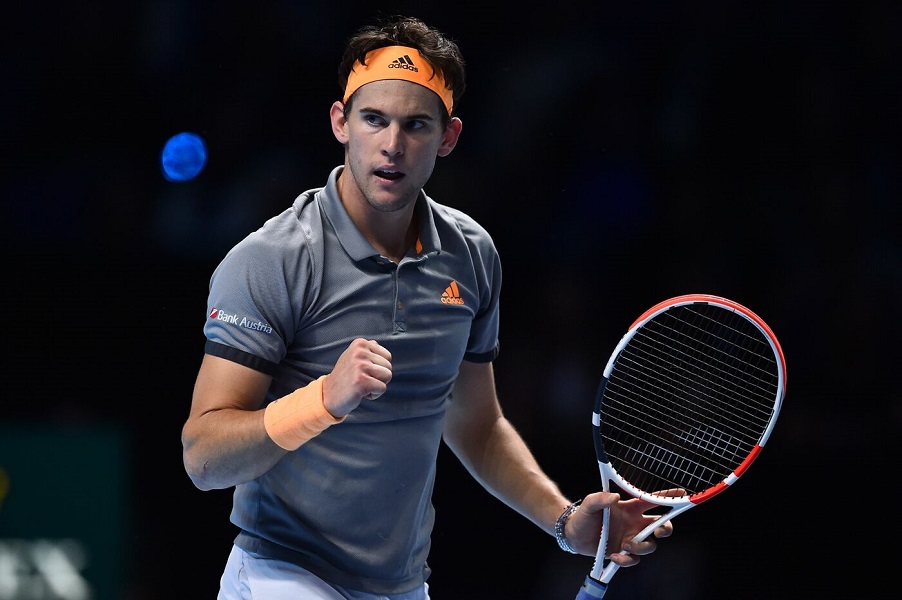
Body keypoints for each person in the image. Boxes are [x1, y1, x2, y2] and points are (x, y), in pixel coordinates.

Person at [181, 15, 673, 600]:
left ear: (448, 137)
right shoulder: (273, 259)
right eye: (374, 119)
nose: (392, 144)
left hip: (404, 584)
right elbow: (203, 458)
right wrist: (321, 400)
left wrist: (565, 523)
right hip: (282, 574)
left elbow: (477, 426)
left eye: (415, 124)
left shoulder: (471, 255)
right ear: (340, 123)